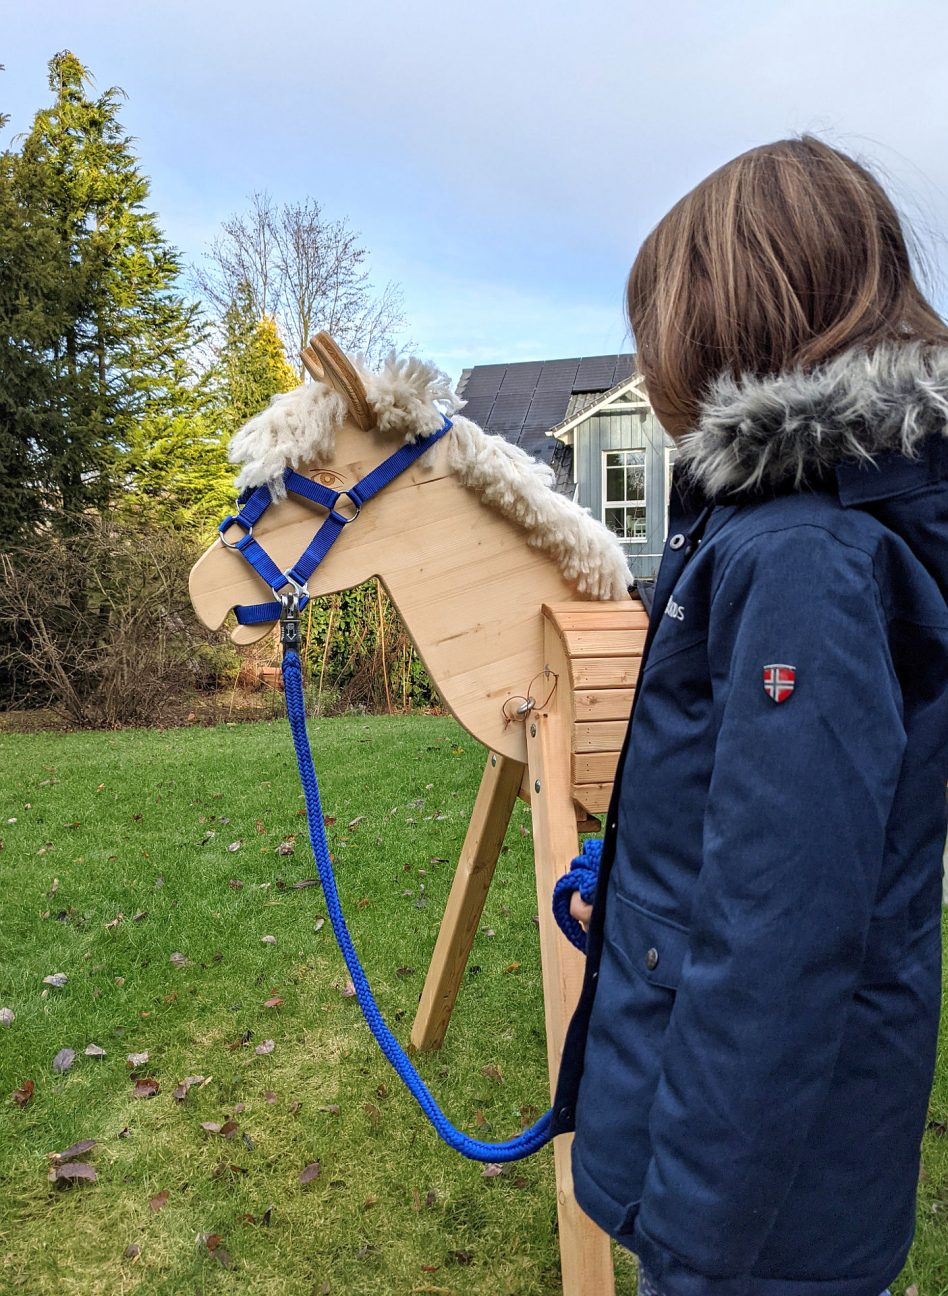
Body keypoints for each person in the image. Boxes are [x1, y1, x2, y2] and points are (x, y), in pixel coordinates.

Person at [552, 135, 948, 1296]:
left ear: (724, 326)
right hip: (770, 1176)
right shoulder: (784, 528)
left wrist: (696, 1227)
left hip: (759, 1214)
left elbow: (781, 937)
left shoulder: (802, 557)